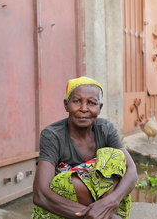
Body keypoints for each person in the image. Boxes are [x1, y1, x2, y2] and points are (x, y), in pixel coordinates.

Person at [31, 76, 138, 219]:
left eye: (91, 103)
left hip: (103, 204)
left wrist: (108, 203)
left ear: (99, 108)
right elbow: (41, 194)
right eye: (76, 101)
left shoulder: (105, 128)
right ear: (66, 105)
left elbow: (131, 171)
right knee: (72, 182)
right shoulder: (52, 135)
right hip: (64, 210)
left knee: (115, 157)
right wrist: (95, 215)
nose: (84, 109)